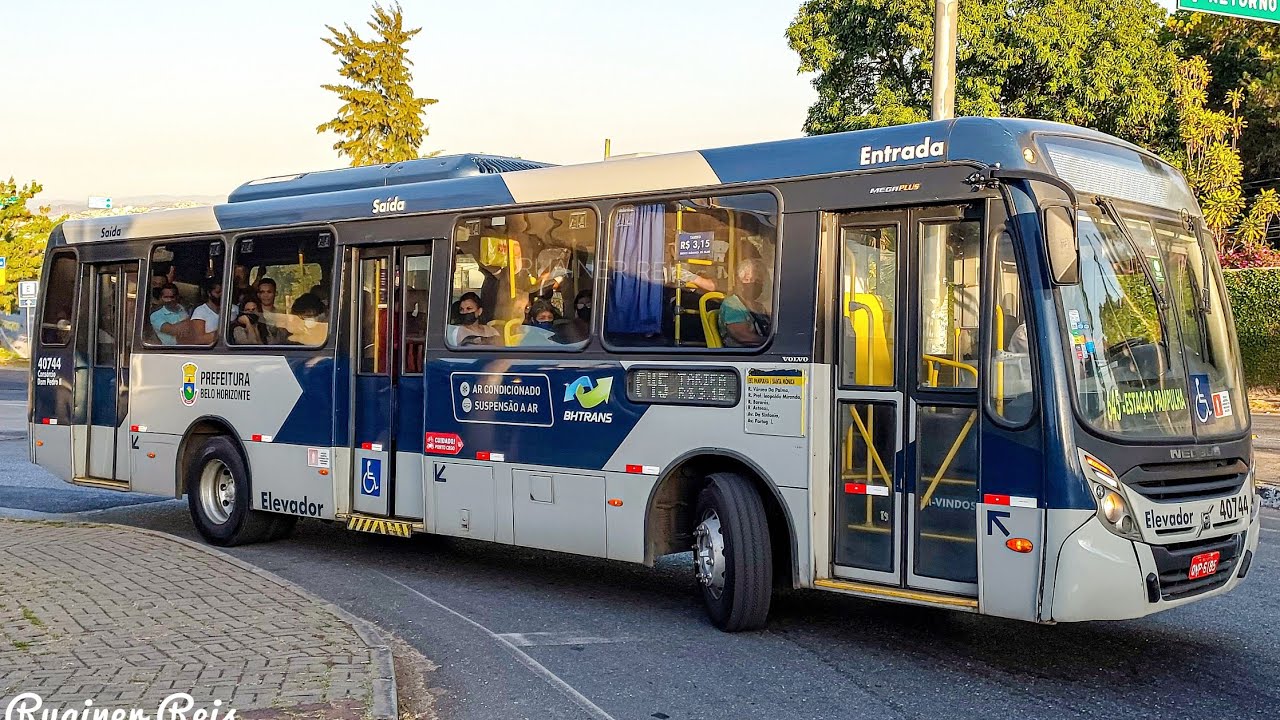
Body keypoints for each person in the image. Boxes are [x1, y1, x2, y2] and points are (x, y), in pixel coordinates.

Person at [717, 258, 771, 347]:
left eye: (758, 281)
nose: (753, 284)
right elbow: (742, 336)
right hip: (743, 356)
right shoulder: (732, 304)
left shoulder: (759, 307)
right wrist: (770, 342)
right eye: (747, 279)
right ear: (739, 281)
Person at [190, 278, 222, 345]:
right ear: (209, 293)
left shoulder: (233, 309)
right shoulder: (200, 311)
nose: (221, 295)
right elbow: (198, 339)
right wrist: (224, 332)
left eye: (224, 292)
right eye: (218, 292)